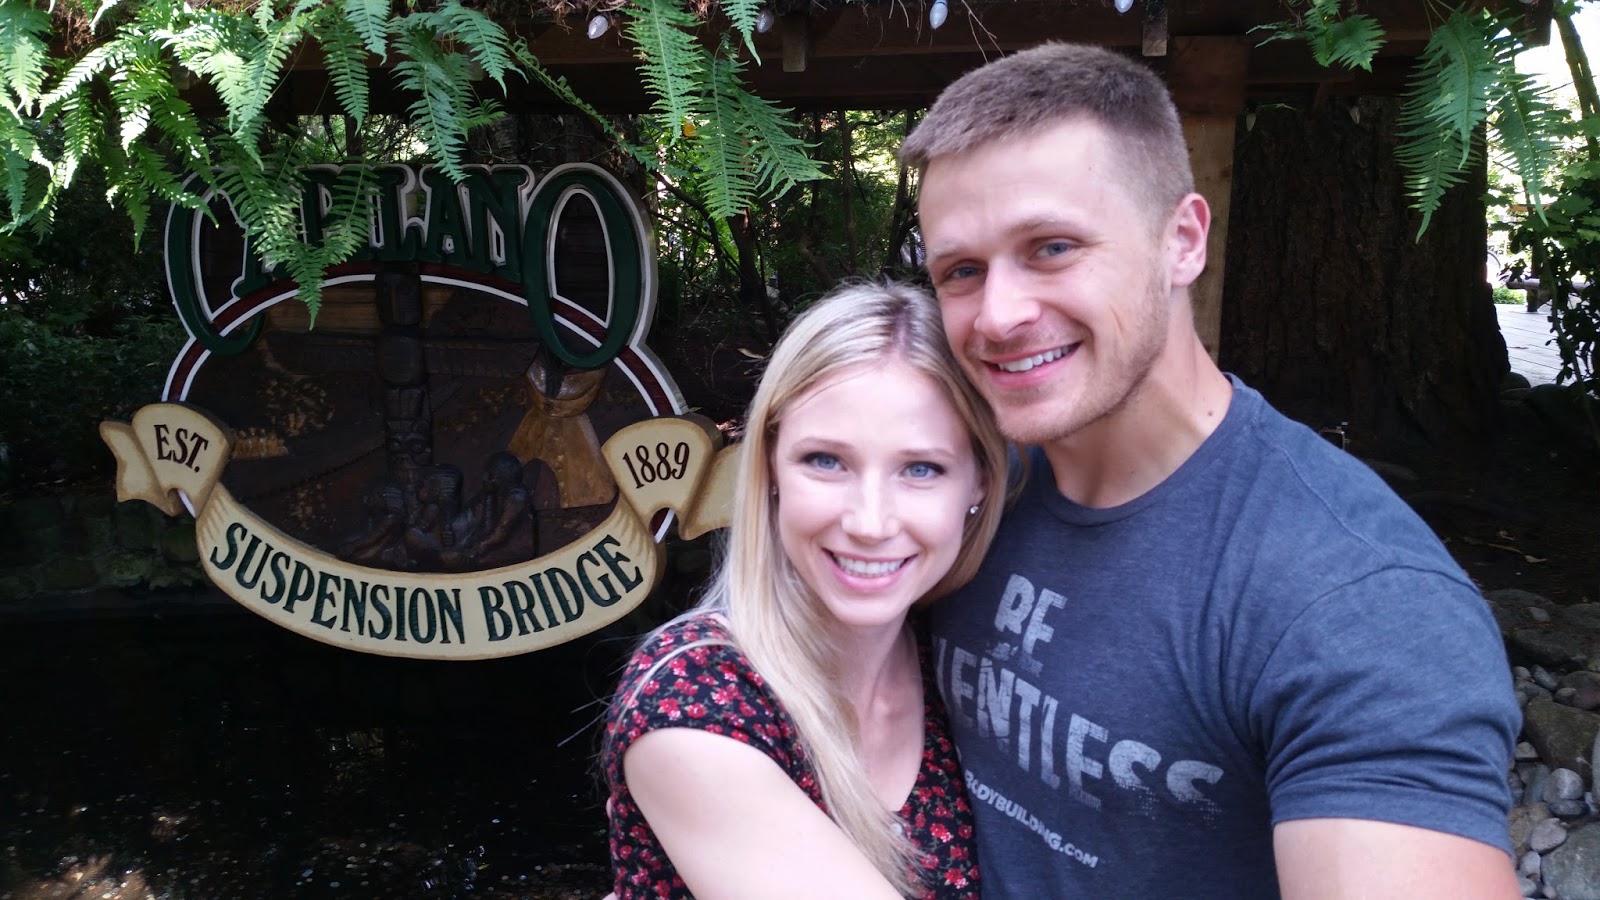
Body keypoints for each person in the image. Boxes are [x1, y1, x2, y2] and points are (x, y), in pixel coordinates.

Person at [898, 42, 1523, 897]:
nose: (998, 316)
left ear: (1183, 241)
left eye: (1052, 247)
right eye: (962, 271)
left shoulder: (1362, 604)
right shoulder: (957, 488)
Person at [602, 281, 1009, 899]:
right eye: (826, 461)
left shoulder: (963, 661)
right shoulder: (694, 699)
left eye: (921, 468)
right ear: (769, 465)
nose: (869, 522)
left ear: (979, 482)